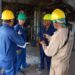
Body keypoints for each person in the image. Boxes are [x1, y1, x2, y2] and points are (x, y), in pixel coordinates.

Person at [40, 9, 74, 75]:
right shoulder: (70, 32)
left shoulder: (57, 35)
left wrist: (43, 45)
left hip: (58, 66)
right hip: (65, 64)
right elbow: (62, 42)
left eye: (52, 21)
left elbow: (49, 52)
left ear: (56, 22)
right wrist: (50, 37)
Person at [0, 10, 26, 75]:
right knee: (10, 72)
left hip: (2, 57)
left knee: (4, 71)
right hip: (9, 58)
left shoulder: (0, 29)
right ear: (11, 20)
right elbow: (22, 42)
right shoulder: (11, 31)